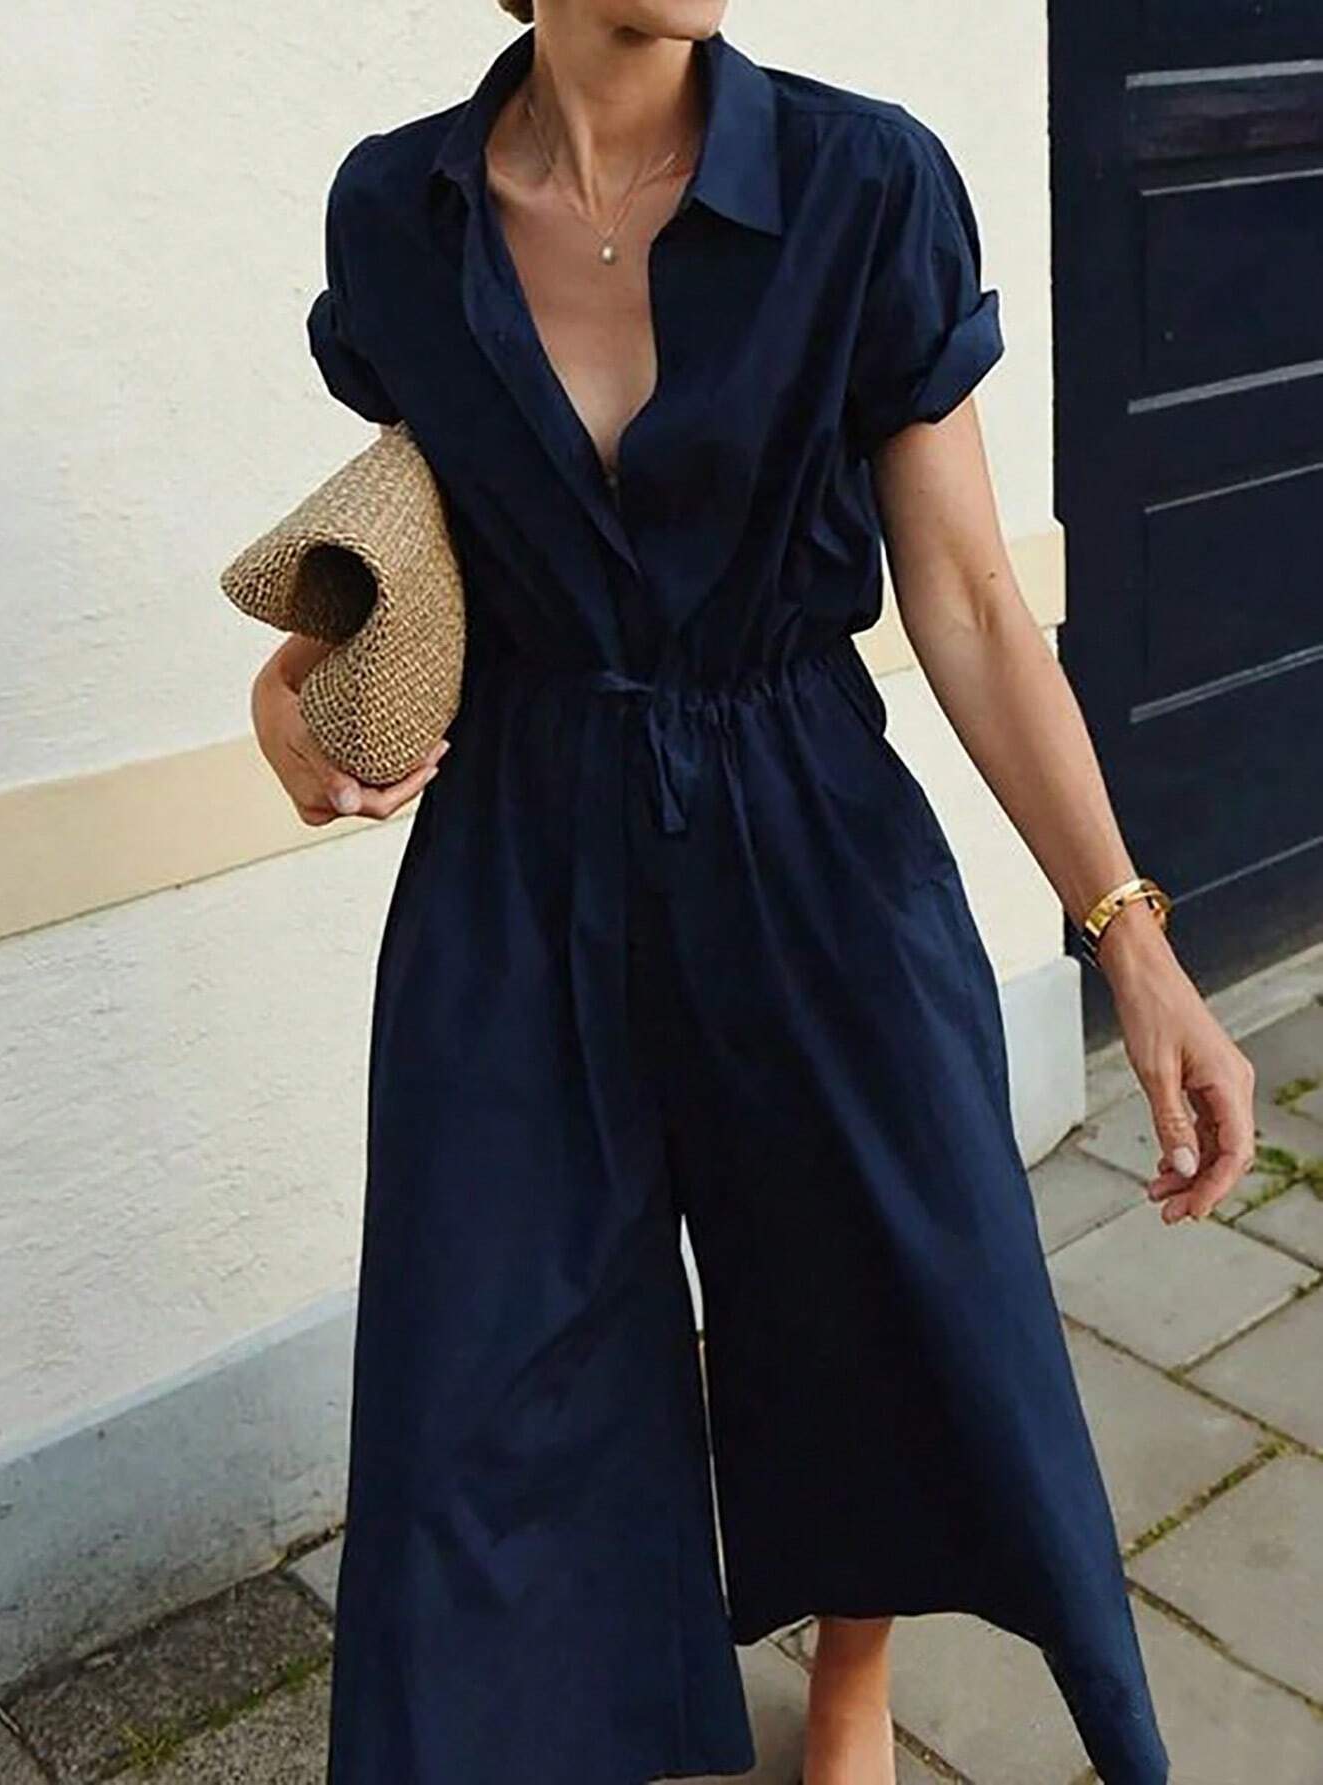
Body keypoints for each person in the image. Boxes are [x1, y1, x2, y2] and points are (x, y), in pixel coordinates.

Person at [250, 3, 1256, 1780]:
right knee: (478, 1366)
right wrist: (289, 697)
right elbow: (422, 526)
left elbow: (967, 596)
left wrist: (1134, 941)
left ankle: (852, 1669)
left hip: (806, 824)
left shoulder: (865, 186)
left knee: (865, 1292)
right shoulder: (397, 211)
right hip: (517, 855)